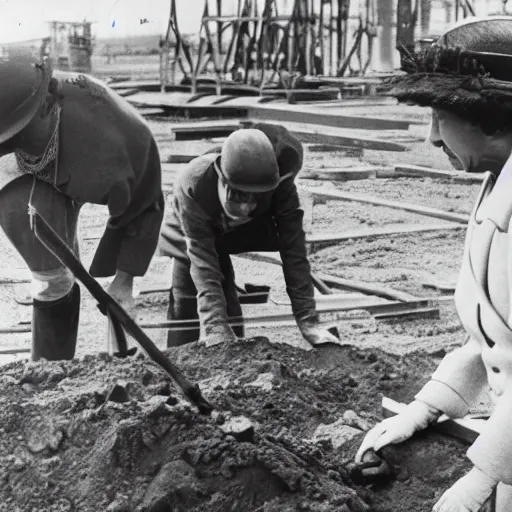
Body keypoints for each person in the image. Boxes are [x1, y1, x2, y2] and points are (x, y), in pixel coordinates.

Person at [355, 16, 512, 512]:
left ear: (492, 115)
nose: (431, 138)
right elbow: (495, 340)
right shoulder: (497, 184)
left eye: (439, 117)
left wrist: (482, 475)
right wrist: (425, 408)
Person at [0, 51, 164, 362]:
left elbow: (145, 204)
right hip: (30, 175)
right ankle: (50, 368)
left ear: (47, 105)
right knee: (52, 275)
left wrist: (124, 280)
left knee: (118, 300)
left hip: (84, 161)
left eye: (18, 134)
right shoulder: (11, 115)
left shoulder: (117, 146)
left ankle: (119, 364)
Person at [159, 122, 340, 349]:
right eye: (239, 198)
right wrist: (215, 326)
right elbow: (202, 260)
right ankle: (176, 369)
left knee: (230, 323)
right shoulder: (194, 183)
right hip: (190, 233)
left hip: (234, 234)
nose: (246, 208)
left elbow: (294, 252)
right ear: (223, 182)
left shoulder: (279, 188)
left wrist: (308, 321)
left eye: (255, 200)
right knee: (189, 302)